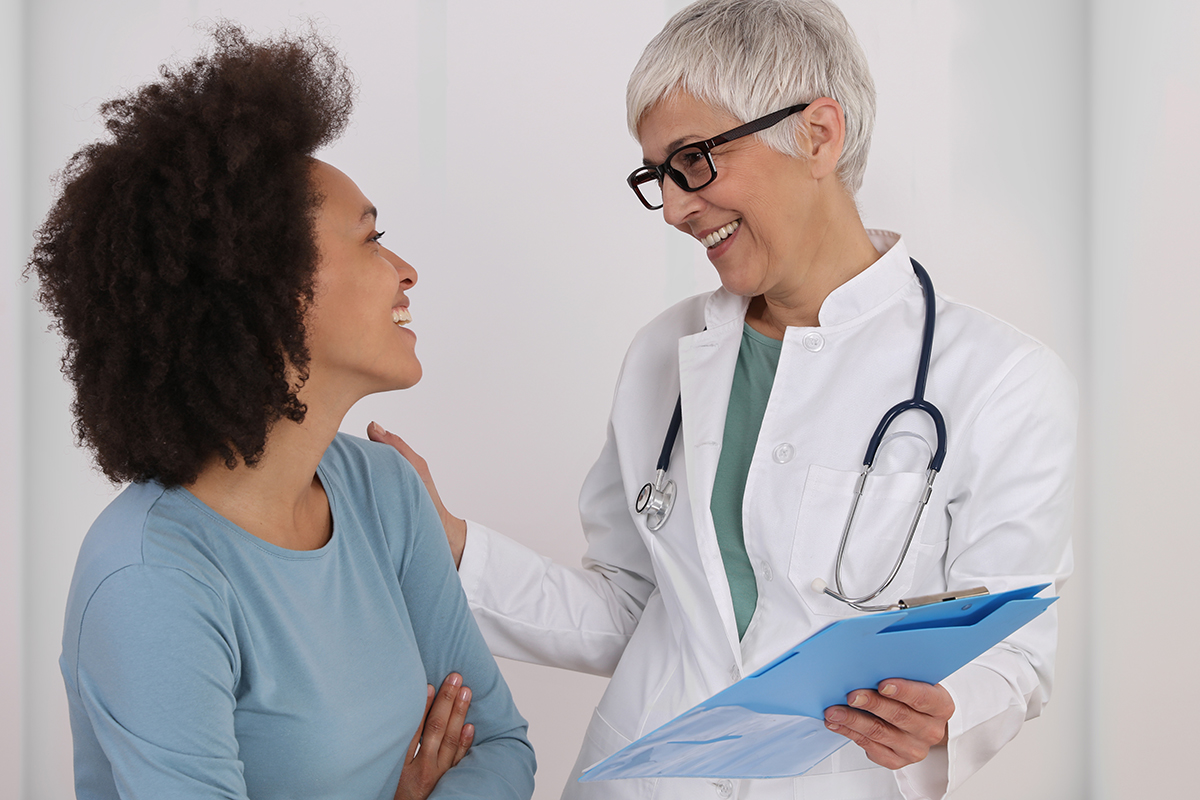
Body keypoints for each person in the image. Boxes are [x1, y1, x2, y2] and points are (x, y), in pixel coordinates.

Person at [371, 1, 1077, 798]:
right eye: (658, 176)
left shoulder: (999, 379)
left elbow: (1013, 650)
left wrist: (951, 706)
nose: (674, 207)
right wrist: (450, 542)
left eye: (695, 160)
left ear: (818, 133)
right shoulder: (662, 356)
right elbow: (634, 612)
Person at [29, 25, 535, 800]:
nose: (407, 272)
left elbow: (501, 746)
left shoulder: (385, 495)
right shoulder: (152, 582)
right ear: (266, 292)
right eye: (373, 241)